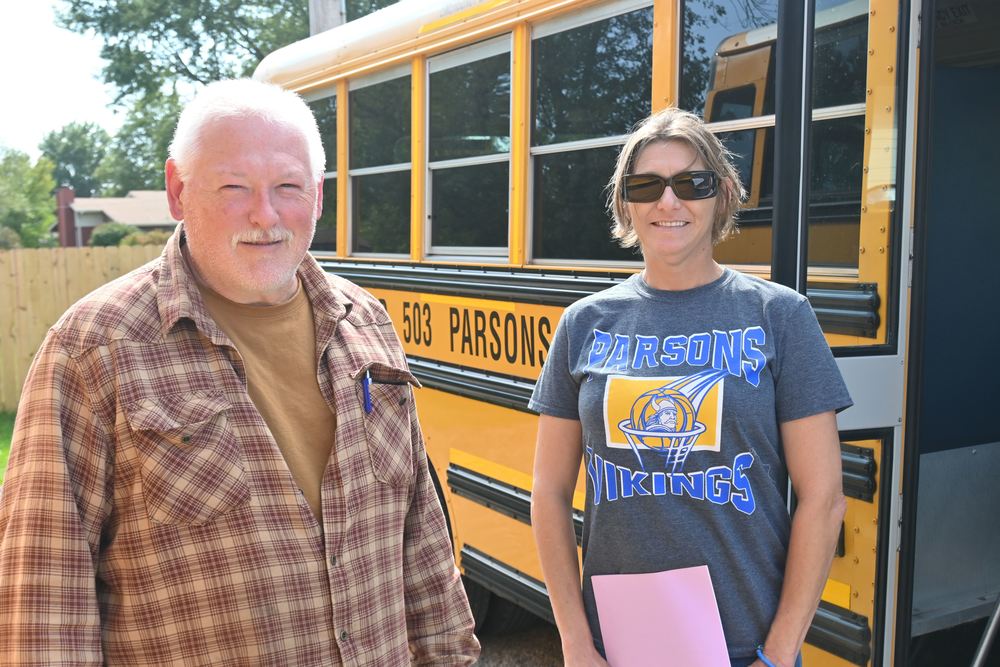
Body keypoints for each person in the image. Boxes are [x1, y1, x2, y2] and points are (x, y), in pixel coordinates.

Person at [0, 79, 479, 665]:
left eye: (288, 187)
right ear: (178, 191)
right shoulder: (94, 348)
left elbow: (421, 538)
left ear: (319, 197)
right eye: (234, 187)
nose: (265, 214)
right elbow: (45, 594)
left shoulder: (367, 325)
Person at [529, 108, 851, 667]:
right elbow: (549, 495)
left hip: (747, 646)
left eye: (692, 183)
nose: (668, 202)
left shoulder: (779, 316)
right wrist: (577, 643)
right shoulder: (585, 323)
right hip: (618, 647)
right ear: (625, 201)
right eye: (646, 185)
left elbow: (823, 499)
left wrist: (778, 653)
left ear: (722, 194)